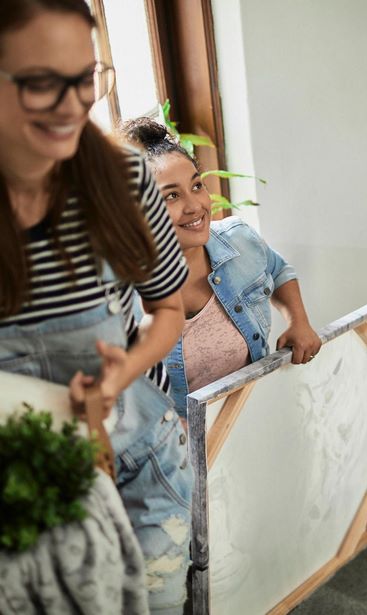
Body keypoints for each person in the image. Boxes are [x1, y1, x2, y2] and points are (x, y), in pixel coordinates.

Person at [0, 2, 193, 612]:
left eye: (86, 77)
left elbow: (169, 309)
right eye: (40, 83)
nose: (72, 106)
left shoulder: (124, 177)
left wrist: (125, 372)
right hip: (30, 484)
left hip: (141, 459)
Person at [121, 117, 322, 417]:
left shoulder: (239, 240)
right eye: (172, 196)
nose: (195, 206)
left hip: (253, 420)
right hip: (180, 451)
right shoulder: (120, 297)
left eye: (197, 186)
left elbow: (278, 269)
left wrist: (298, 321)